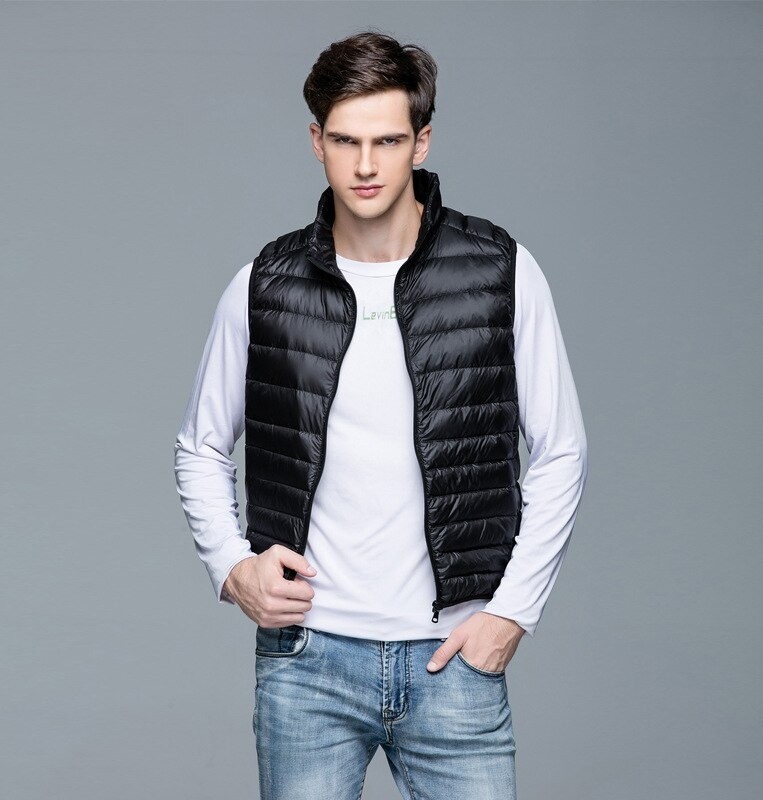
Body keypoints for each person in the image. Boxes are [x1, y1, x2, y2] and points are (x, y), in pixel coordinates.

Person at [174, 29, 588, 800]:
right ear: (317, 142)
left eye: (388, 140)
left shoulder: (501, 271)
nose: (365, 165)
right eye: (345, 141)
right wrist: (232, 568)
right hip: (308, 663)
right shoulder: (265, 284)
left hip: (453, 660)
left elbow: (561, 450)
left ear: (421, 142)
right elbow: (200, 446)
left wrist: (512, 613)